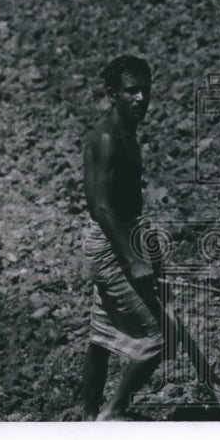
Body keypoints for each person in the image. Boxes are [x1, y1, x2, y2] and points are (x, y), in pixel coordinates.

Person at [80, 54, 167, 420]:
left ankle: (85, 416)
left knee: (100, 335)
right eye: (132, 92)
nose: (141, 99)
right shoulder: (106, 138)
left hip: (125, 236)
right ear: (112, 94)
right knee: (157, 339)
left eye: (145, 91)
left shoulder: (127, 132)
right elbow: (100, 205)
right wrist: (132, 259)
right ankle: (111, 413)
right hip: (111, 243)